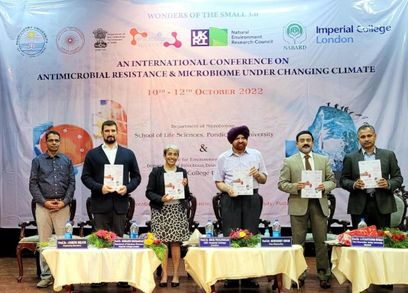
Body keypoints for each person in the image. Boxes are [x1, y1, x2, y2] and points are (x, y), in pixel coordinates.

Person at [81, 120, 141, 288]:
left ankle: (122, 277)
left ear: (117, 132)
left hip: (121, 205)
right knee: (100, 242)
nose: (110, 133)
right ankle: (98, 277)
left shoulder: (128, 154)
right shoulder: (93, 154)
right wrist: (100, 188)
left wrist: (127, 188)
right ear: (102, 133)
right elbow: (85, 177)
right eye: (107, 130)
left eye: (113, 130)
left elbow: (137, 177)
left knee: (119, 242)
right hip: (100, 205)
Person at [278, 130, 335, 289]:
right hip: (298, 205)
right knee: (298, 243)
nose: (305, 142)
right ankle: (298, 275)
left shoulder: (323, 160)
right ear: (297, 144)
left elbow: (332, 181)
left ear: (313, 143)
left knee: (321, 242)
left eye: (308, 140)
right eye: (302, 140)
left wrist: (325, 186)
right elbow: (282, 184)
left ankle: (324, 275)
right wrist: (296, 187)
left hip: (319, 205)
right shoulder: (289, 162)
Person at [213, 125, 267, 288]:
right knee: (232, 235)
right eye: (237, 138)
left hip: (251, 198)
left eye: (244, 137)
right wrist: (228, 189)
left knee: (250, 235)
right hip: (231, 199)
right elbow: (218, 181)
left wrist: (257, 175)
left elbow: (264, 179)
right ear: (232, 141)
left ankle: (251, 275)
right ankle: (231, 276)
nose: (241, 140)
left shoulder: (256, 155)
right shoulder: (223, 157)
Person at [29, 130, 75, 288]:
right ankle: (47, 276)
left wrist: (65, 201)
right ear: (45, 142)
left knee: (64, 243)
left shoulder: (67, 160)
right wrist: (43, 202)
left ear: (60, 142)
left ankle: (63, 275)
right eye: (51, 140)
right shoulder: (37, 161)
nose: (54, 143)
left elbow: (71, 183)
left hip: (62, 206)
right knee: (45, 243)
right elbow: (33, 184)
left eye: (56, 140)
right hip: (43, 207)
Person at [340, 124, 403, 229]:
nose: (366, 139)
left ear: (375, 136)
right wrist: (354, 184)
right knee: (360, 241)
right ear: (358, 139)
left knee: (382, 240)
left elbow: (398, 178)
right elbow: (343, 180)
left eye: (369, 136)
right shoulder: (350, 157)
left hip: (383, 204)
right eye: (363, 137)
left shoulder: (388, 155)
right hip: (359, 205)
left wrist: (388, 184)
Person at [146, 145, 191, 288]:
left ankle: (176, 274)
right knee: (163, 243)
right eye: (169, 154)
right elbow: (149, 192)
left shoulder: (182, 172)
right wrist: (161, 199)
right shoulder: (156, 172)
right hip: (161, 211)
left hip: (177, 210)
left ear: (177, 156)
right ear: (165, 155)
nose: (172, 157)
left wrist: (185, 185)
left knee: (176, 243)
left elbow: (187, 195)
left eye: (175, 154)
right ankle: (164, 274)